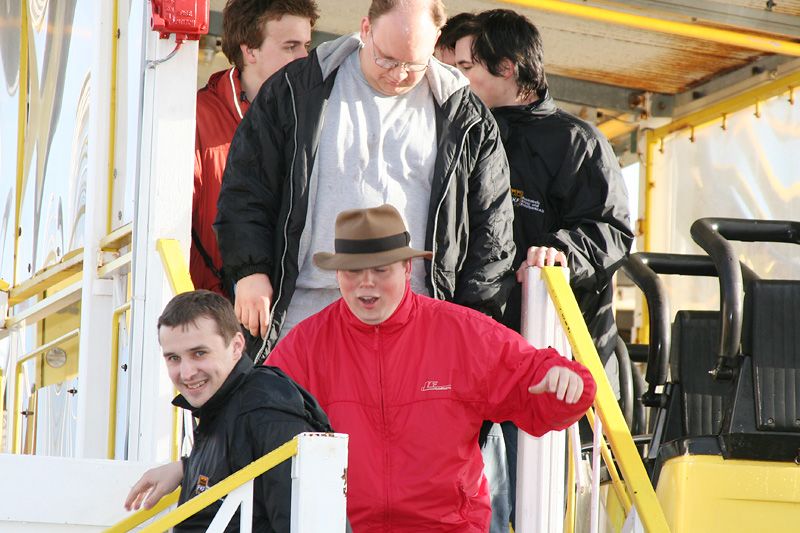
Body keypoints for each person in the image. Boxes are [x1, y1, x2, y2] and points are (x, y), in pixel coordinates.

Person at [213, 0, 515, 360]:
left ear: (436, 41)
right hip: (304, 316)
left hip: (415, 325)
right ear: (366, 29)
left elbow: (492, 228)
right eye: (386, 59)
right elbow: (246, 188)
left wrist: (472, 319)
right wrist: (250, 271)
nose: (398, 74)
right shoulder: (296, 89)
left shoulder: (467, 116)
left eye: (413, 64)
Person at [265, 204, 597, 531]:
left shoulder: (460, 332)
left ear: (407, 268)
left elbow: (534, 379)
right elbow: (257, 413)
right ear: (338, 274)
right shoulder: (306, 344)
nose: (366, 283)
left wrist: (566, 380)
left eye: (381, 270)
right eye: (352, 271)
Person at [453, 9, 635, 529]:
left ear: (507, 68)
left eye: (467, 68)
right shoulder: (460, 135)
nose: (457, 80)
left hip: (545, 356)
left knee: (538, 502)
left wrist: (558, 251)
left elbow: (612, 230)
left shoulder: (577, 142)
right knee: (472, 498)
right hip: (470, 351)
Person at [123, 290, 331, 532]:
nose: (187, 373)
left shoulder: (266, 412)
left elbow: (307, 522)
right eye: (173, 358)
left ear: (236, 347)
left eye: (199, 353)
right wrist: (186, 469)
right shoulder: (222, 404)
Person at [192, 0, 319, 297]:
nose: (304, 58)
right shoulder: (195, 119)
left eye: (306, 46)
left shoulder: (318, 117)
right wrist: (215, 307)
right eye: (291, 47)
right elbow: (174, 229)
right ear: (250, 51)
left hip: (298, 304)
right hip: (222, 310)